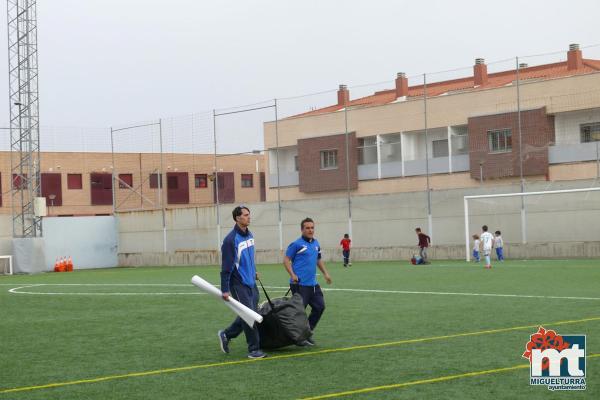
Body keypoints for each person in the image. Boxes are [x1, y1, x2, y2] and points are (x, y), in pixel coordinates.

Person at [217, 206, 266, 359]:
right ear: (237, 218)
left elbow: (249, 258)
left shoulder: (249, 234)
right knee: (248, 314)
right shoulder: (231, 240)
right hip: (238, 284)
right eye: (245, 215)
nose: (249, 217)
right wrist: (225, 289)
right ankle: (253, 349)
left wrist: (254, 271)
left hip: (251, 281)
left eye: (249, 214)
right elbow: (226, 267)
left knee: (251, 312)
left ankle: (226, 334)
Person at [284, 217, 332, 346]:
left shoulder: (316, 243)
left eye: (312, 228)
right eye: (307, 228)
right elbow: (286, 260)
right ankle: (294, 337)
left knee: (320, 307)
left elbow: (318, 260)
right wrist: (292, 274)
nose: (310, 230)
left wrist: (326, 274)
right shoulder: (296, 244)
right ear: (302, 229)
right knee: (299, 312)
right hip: (299, 284)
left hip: (313, 284)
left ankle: (306, 333)